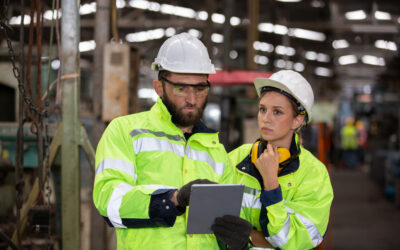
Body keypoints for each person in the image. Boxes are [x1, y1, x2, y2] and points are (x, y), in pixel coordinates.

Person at [92, 32, 235, 250]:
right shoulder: (126, 132)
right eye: (181, 88)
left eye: (199, 88)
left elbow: (224, 224)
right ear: (159, 88)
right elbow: (109, 200)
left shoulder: (216, 151)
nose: (192, 99)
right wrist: (173, 199)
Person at [227, 70, 334, 249]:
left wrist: (271, 185)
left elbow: (295, 242)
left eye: (277, 112)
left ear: (297, 121)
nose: (265, 119)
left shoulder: (314, 174)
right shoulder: (236, 158)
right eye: (262, 109)